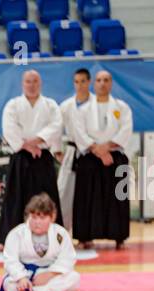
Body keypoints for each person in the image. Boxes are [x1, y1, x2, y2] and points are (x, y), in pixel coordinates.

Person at [0, 70, 63, 249]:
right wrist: (26, 145)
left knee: (47, 197)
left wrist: (37, 141)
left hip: (42, 156)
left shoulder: (50, 105)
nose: (32, 85)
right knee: (14, 197)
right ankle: (5, 240)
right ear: (22, 84)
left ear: (40, 84)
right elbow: (9, 128)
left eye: (35, 81)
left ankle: (55, 237)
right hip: (21, 156)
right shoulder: (13, 105)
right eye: (28, 81)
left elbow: (56, 125)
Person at [69, 70, 135, 249]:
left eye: (106, 80)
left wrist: (107, 148)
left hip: (114, 156)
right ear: (93, 83)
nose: (102, 83)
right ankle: (84, 236)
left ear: (111, 83)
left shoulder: (122, 108)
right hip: (90, 156)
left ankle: (118, 235)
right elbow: (79, 133)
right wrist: (97, 149)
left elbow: (125, 130)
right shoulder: (81, 110)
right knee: (86, 198)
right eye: (99, 80)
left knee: (117, 198)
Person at [0, 193, 81, 291]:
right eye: (33, 217)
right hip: (25, 273)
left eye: (42, 218)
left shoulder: (60, 234)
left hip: (49, 274)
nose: (37, 222)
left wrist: (50, 274)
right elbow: (10, 260)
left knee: (74, 278)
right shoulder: (17, 234)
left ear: (52, 217)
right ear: (28, 216)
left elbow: (67, 259)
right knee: (9, 285)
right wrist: (21, 278)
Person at [56, 68, 92, 234]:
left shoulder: (96, 104)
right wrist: (57, 150)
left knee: (88, 194)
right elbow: (57, 128)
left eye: (83, 81)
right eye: (76, 82)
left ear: (89, 82)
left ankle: (86, 234)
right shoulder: (66, 106)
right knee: (63, 191)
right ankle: (62, 231)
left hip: (92, 153)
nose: (80, 85)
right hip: (71, 151)